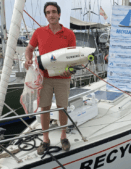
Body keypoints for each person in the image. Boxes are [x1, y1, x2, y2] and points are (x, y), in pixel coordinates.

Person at [24, 2, 76, 155]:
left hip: (63, 77)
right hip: (44, 77)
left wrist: (70, 69)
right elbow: (29, 48)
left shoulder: (69, 34)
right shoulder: (39, 32)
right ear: (46, 16)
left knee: (62, 108)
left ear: (59, 14)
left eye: (54, 12)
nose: (51, 15)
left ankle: (63, 136)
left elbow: (73, 56)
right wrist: (28, 58)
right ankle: (45, 139)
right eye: (48, 12)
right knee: (44, 108)